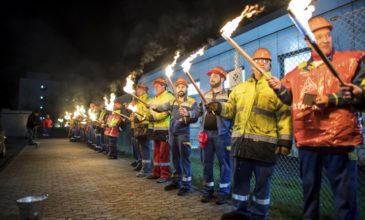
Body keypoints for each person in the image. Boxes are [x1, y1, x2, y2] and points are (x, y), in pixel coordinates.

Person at [266, 16, 365, 220]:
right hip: (308, 141)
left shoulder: (352, 60)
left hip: (339, 140)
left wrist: (332, 99)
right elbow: (293, 98)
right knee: (309, 194)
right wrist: (279, 89)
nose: (325, 40)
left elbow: (359, 91)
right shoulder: (300, 70)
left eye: (327, 35)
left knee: (345, 197)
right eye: (319, 36)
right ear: (308, 41)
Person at [207, 48, 292, 219]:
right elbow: (230, 110)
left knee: (262, 185)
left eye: (264, 60)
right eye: (257, 60)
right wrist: (219, 107)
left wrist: (285, 141)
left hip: (265, 147)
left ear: (269, 64)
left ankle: (259, 215)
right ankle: (240, 212)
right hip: (241, 145)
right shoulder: (240, 89)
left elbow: (284, 116)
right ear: (251, 64)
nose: (260, 63)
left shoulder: (276, 87)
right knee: (240, 183)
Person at [152, 78, 199, 195]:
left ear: (186, 88)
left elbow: (197, 114)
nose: (180, 88)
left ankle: (186, 185)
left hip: (183, 135)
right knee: (175, 159)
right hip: (172, 134)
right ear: (176, 89)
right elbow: (162, 107)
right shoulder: (173, 101)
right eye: (178, 87)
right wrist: (153, 106)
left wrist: (189, 113)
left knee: (184, 160)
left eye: (183, 86)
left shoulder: (192, 101)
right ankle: (176, 181)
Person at [197, 66, 233, 205]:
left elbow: (232, 114)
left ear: (223, 78)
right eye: (211, 76)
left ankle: (223, 192)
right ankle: (208, 190)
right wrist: (190, 114)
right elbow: (199, 112)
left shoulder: (229, 95)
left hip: (222, 135)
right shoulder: (205, 95)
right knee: (207, 164)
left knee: (224, 164)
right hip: (206, 134)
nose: (212, 78)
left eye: (215, 76)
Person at [147, 77, 175, 183]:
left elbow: (167, 112)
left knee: (164, 153)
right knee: (156, 152)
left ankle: (165, 174)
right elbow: (151, 111)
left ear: (164, 86)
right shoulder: (154, 98)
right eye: (154, 85)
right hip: (156, 128)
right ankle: (156, 172)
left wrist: (154, 117)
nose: (155, 87)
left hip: (166, 129)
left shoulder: (169, 96)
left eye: (157, 85)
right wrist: (150, 116)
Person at [132, 83, 152, 177]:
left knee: (145, 148)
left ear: (144, 90)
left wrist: (138, 118)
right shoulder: (139, 100)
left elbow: (146, 113)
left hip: (145, 125)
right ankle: (143, 167)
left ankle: (146, 169)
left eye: (139, 89)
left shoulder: (146, 99)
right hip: (140, 125)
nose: (137, 91)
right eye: (137, 89)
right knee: (141, 147)